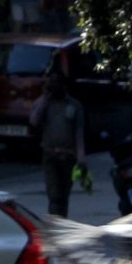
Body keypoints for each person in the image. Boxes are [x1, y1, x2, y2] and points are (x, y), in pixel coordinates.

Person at [28, 70, 87, 218]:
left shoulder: (74, 106)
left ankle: (62, 222)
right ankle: (54, 223)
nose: (55, 87)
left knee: (63, 195)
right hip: (50, 156)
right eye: (51, 84)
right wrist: (45, 98)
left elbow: (79, 132)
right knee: (54, 195)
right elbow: (34, 121)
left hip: (68, 157)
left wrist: (81, 157)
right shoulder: (44, 103)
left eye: (57, 83)